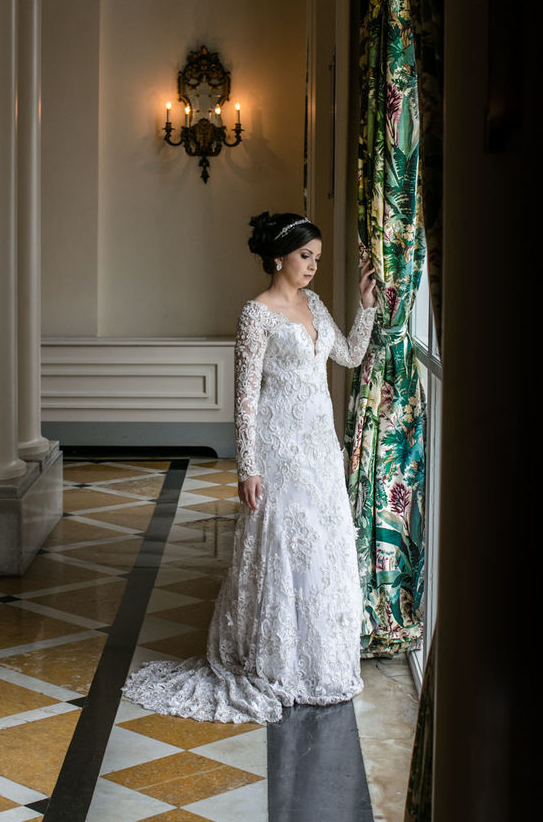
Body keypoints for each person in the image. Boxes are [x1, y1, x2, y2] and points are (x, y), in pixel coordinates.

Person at [122, 211, 377, 724]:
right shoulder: (256, 313)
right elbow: (245, 400)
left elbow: (348, 356)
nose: (312, 267)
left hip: (319, 450)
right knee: (281, 547)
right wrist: (248, 467)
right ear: (279, 256)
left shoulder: (316, 305)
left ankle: (319, 661)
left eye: (318, 259)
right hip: (279, 449)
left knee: (322, 547)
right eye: (306, 256)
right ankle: (275, 660)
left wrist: (367, 309)